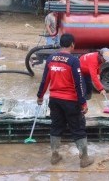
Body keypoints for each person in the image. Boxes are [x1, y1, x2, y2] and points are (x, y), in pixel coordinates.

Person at [36, 33, 94, 168]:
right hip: (70, 101)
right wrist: (83, 103)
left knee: (56, 127)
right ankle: (84, 158)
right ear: (72, 44)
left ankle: (55, 155)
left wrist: (40, 96)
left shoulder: (51, 59)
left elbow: (45, 80)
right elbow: (79, 84)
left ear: (61, 44)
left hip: (55, 100)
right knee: (78, 128)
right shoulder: (73, 61)